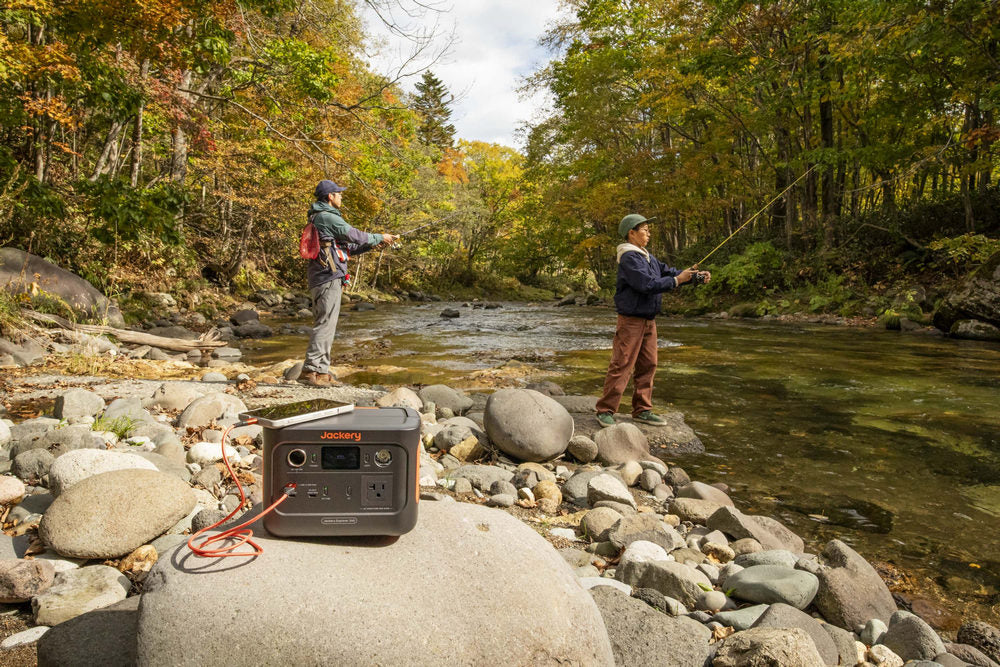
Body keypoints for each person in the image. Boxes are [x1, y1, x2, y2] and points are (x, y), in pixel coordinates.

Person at [595, 213, 710, 427]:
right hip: (631, 321)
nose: (648, 233)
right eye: (645, 229)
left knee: (649, 364)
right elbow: (647, 284)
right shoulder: (629, 258)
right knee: (622, 364)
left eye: (648, 229)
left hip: (649, 320)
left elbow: (669, 272)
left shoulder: (647, 256)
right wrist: (677, 280)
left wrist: (694, 276)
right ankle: (605, 410)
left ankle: (642, 410)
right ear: (631, 233)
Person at [300, 179, 398, 387]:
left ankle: (321, 372)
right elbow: (354, 234)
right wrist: (379, 235)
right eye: (339, 193)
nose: (341, 196)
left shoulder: (322, 217)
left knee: (327, 324)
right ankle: (311, 371)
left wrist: (375, 244)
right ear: (330, 197)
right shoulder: (327, 217)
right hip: (327, 277)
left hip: (325, 276)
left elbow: (349, 247)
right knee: (325, 324)